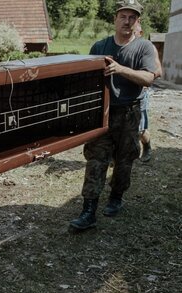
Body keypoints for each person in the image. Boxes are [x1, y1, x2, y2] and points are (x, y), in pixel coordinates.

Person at [69, 0, 157, 231]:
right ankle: (88, 211)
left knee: (124, 161)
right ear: (115, 19)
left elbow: (149, 78)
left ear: (137, 21)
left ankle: (116, 196)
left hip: (130, 112)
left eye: (132, 18)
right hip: (103, 113)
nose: (127, 21)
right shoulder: (100, 46)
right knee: (96, 159)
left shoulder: (144, 47)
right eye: (123, 16)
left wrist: (121, 69)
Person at [134, 23, 163, 162]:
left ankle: (147, 146)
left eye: (135, 31)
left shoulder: (149, 47)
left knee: (139, 128)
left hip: (141, 92)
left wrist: (147, 77)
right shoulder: (123, 45)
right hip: (123, 94)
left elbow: (158, 70)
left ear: (141, 32)